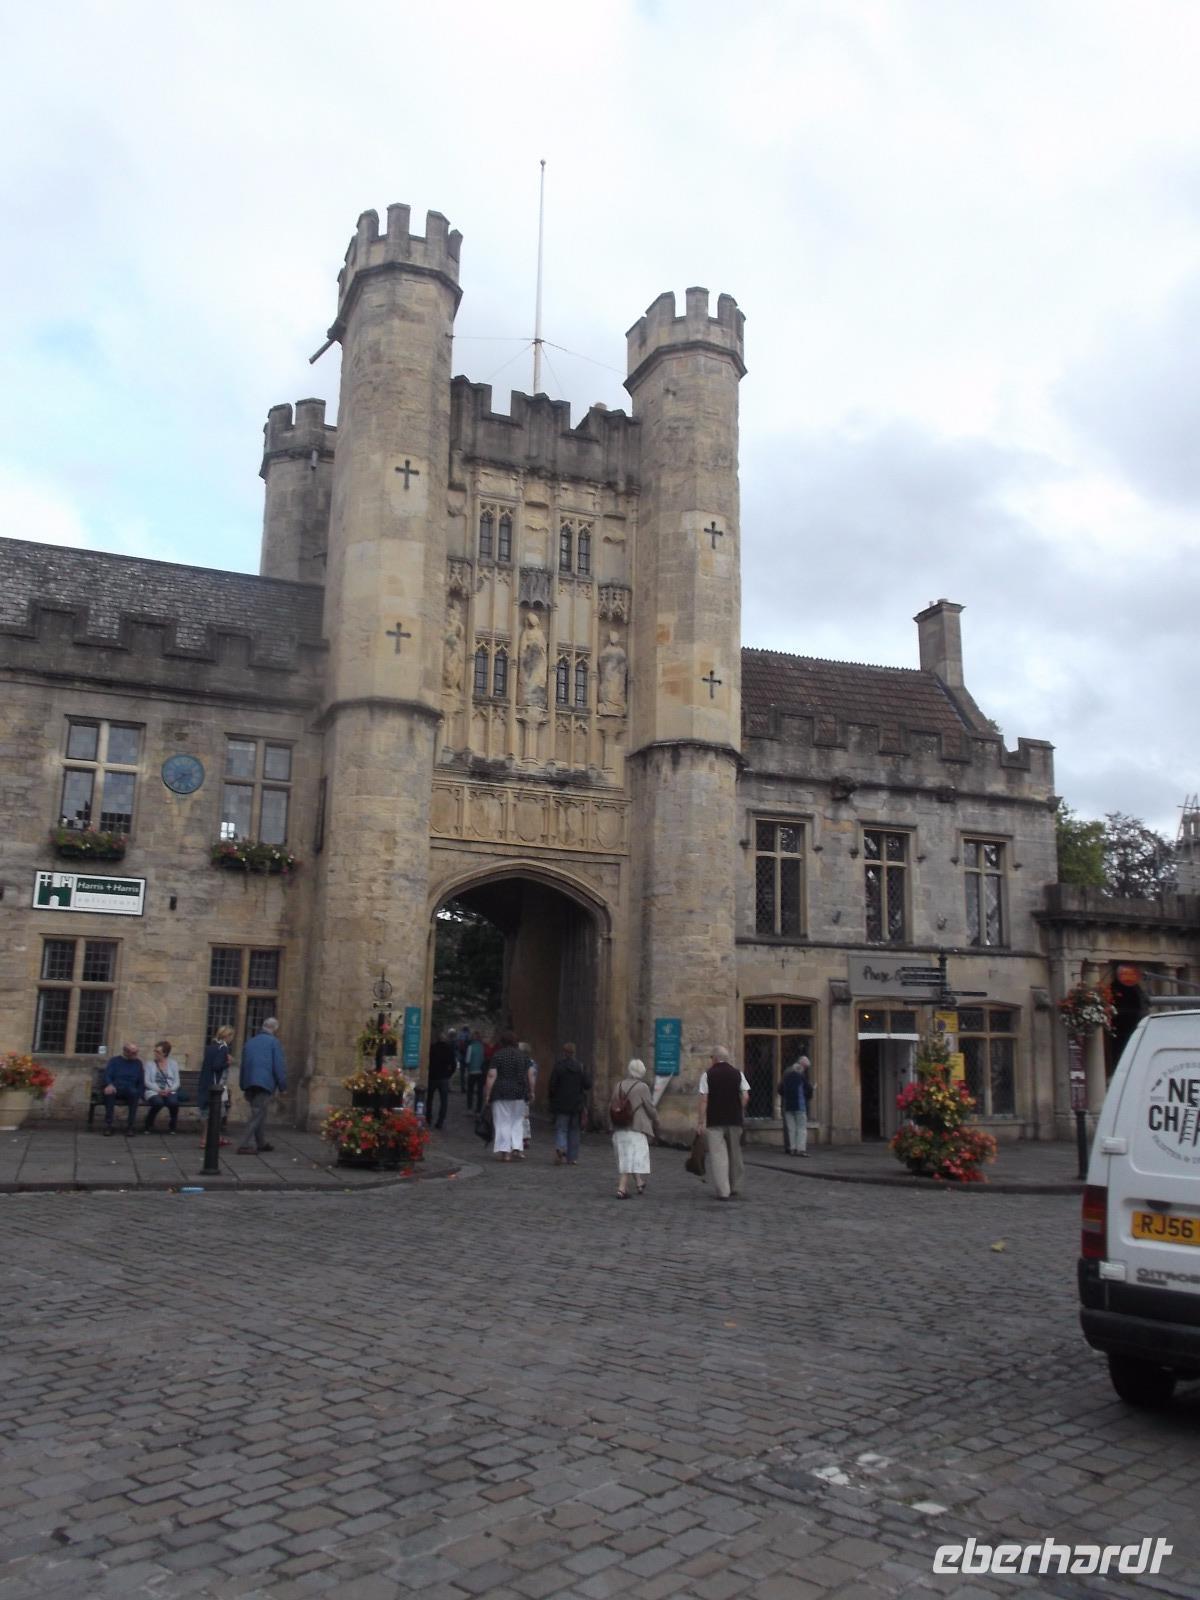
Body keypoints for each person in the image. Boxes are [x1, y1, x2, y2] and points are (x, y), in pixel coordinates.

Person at [697, 1046, 750, 1200]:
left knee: (718, 1156)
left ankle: (723, 1191)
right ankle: (736, 1186)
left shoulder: (707, 1075)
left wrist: (700, 1121)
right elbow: (745, 1096)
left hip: (715, 1120)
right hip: (734, 1120)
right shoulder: (738, 1073)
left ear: (714, 1058)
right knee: (735, 1154)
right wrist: (738, 1108)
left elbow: (704, 1100)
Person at [610, 1059, 660, 1198]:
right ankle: (621, 1189)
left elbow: (612, 1104)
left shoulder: (619, 1085)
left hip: (620, 1126)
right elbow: (649, 1107)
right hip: (635, 1127)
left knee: (628, 1156)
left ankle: (639, 1183)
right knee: (630, 1157)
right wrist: (656, 1120)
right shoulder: (642, 1087)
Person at [237, 1017, 287, 1155]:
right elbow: (278, 1066)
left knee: (260, 1112)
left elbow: (243, 1065)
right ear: (274, 1029)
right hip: (264, 1083)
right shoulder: (274, 1042)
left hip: (249, 1082)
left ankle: (261, 1143)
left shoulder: (250, 1042)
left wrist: (242, 1084)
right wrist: (283, 1086)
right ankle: (243, 1144)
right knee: (257, 1113)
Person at [483, 1030, 533, 1161]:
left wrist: (488, 1094)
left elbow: (491, 1075)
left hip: (501, 1091)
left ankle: (505, 1152)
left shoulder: (498, 1055)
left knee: (502, 1121)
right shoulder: (523, 1056)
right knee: (517, 1121)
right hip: (519, 1092)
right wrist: (531, 1091)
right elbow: (530, 1074)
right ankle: (516, 1146)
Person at [547, 1041, 590, 1165]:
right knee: (574, 1130)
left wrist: (552, 1099)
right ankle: (572, 1158)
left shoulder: (559, 1066)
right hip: (576, 1104)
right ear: (574, 1052)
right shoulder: (580, 1067)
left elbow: (552, 1085)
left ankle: (561, 1148)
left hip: (561, 1103)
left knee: (561, 1128)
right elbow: (588, 1084)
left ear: (564, 1052)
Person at [197, 1023, 234, 1146]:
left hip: (206, 1083)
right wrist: (228, 1062)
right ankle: (206, 1139)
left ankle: (213, 1137)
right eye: (231, 1036)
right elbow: (216, 1066)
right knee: (216, 1112)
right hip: (216, 1085)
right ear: (227, 1036)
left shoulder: (211, 1047)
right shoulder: (223, 1048)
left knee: (208, 1112)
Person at [101, 1042, 144, 1136]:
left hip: (130, 1088)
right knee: (109, 1093)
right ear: (126, 1052)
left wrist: (141, 1094)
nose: (136, 1055)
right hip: (116, 1087)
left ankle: (130, 1126)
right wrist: (109, 1084)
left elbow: (141, 1081)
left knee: (134, 1094)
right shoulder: (114, 1061)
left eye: (136, 1052)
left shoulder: (138, 1063)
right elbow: (107, 1075)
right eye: (133, 1053)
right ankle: (109, 1125)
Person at [143, 1040, 182, 1132]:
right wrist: (159, 1090)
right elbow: (147, 1082)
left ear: (165, 1053)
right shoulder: (149, 1064)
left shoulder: (173, 1064)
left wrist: (169, 1090)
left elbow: (177, 1082)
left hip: (169, 1091)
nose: (155, 1053)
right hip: (153, 1091)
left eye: (158, 1052)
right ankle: (148, 1123)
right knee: (158, 1103)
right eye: (155, 1051)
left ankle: (172, 1125)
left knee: (173, 1103)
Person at [779, 1053, 813, 1156]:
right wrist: (809, 1094)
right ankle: (800, 1149)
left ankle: (792, 1148)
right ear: (802, 1066)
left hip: (788, 1105)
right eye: (805, 1067)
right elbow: (808, 1089)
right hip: (799, 1105)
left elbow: (780, 1089)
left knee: (791, 1128)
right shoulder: (801, 1076)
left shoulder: (786, 1075)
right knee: (801, 1128)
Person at [426, 1028, 457, 1130]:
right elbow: (453, 1064)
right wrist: (449, 1074)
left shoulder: (432, 1047)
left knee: (429, 1099)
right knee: (444, 1101)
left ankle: (428, 1118)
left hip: (432, 1076)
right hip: (443, 1077)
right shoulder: (448, 1049)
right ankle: (440, 1121)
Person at [519, 1040, 538, 1148]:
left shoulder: (526, 1062)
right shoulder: (532, 1062)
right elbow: (534, 1077)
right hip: (525, 1091)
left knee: (521, 1116)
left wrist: (531, 1091)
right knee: (524, 1115)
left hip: (521, 1091)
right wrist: (532, 1091)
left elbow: (532, 1077)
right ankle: (525, 1137)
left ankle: (523, 1138)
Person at [465, 1029, 486, 1112]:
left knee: (470, 1090)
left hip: (472, 1071)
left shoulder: (470, 1047)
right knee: (480, 1091)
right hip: (481, 1071)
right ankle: (478, 1109)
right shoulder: (482, 1047)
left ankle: (469, 1107)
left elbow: (467, 1060)